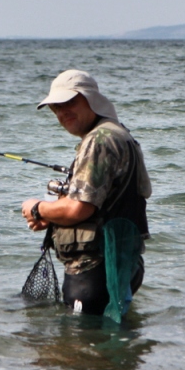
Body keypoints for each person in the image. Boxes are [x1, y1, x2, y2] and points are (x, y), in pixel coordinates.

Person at [21, 70, 151, 316]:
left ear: (91, 99)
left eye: (69, 102)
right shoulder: (120, 134)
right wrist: (53, 217)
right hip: (122, 266)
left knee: (76, 349)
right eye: (55, 108)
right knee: (106, 346)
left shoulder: (99, 140)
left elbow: (79, 209)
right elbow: (104, 204)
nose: (61, 112)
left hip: (94, 272)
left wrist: (37, 208)